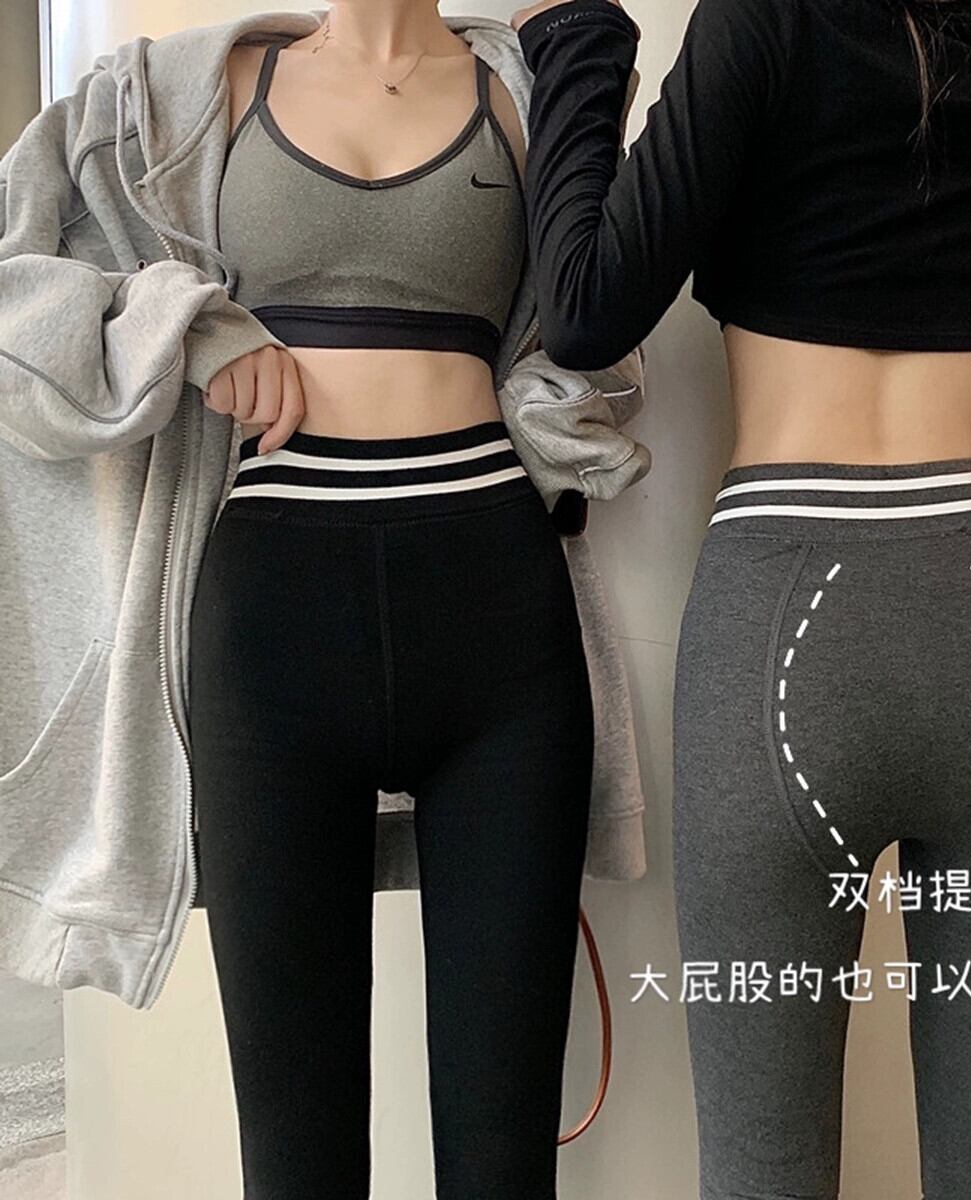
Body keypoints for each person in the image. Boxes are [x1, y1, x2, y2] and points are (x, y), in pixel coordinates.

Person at [0, 3, 649, 1197]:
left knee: (502, 1157)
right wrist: (183, 327)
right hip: (272, 627)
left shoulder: (522, 85)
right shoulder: (185, 95)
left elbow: (599, 318)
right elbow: (15, 278)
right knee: (295, 1162)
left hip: (497, 618)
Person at [509, 0, 971, 1195]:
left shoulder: (766, 25)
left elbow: (582, 308)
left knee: (763, 1173)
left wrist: (575, 42)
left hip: (785, 623)